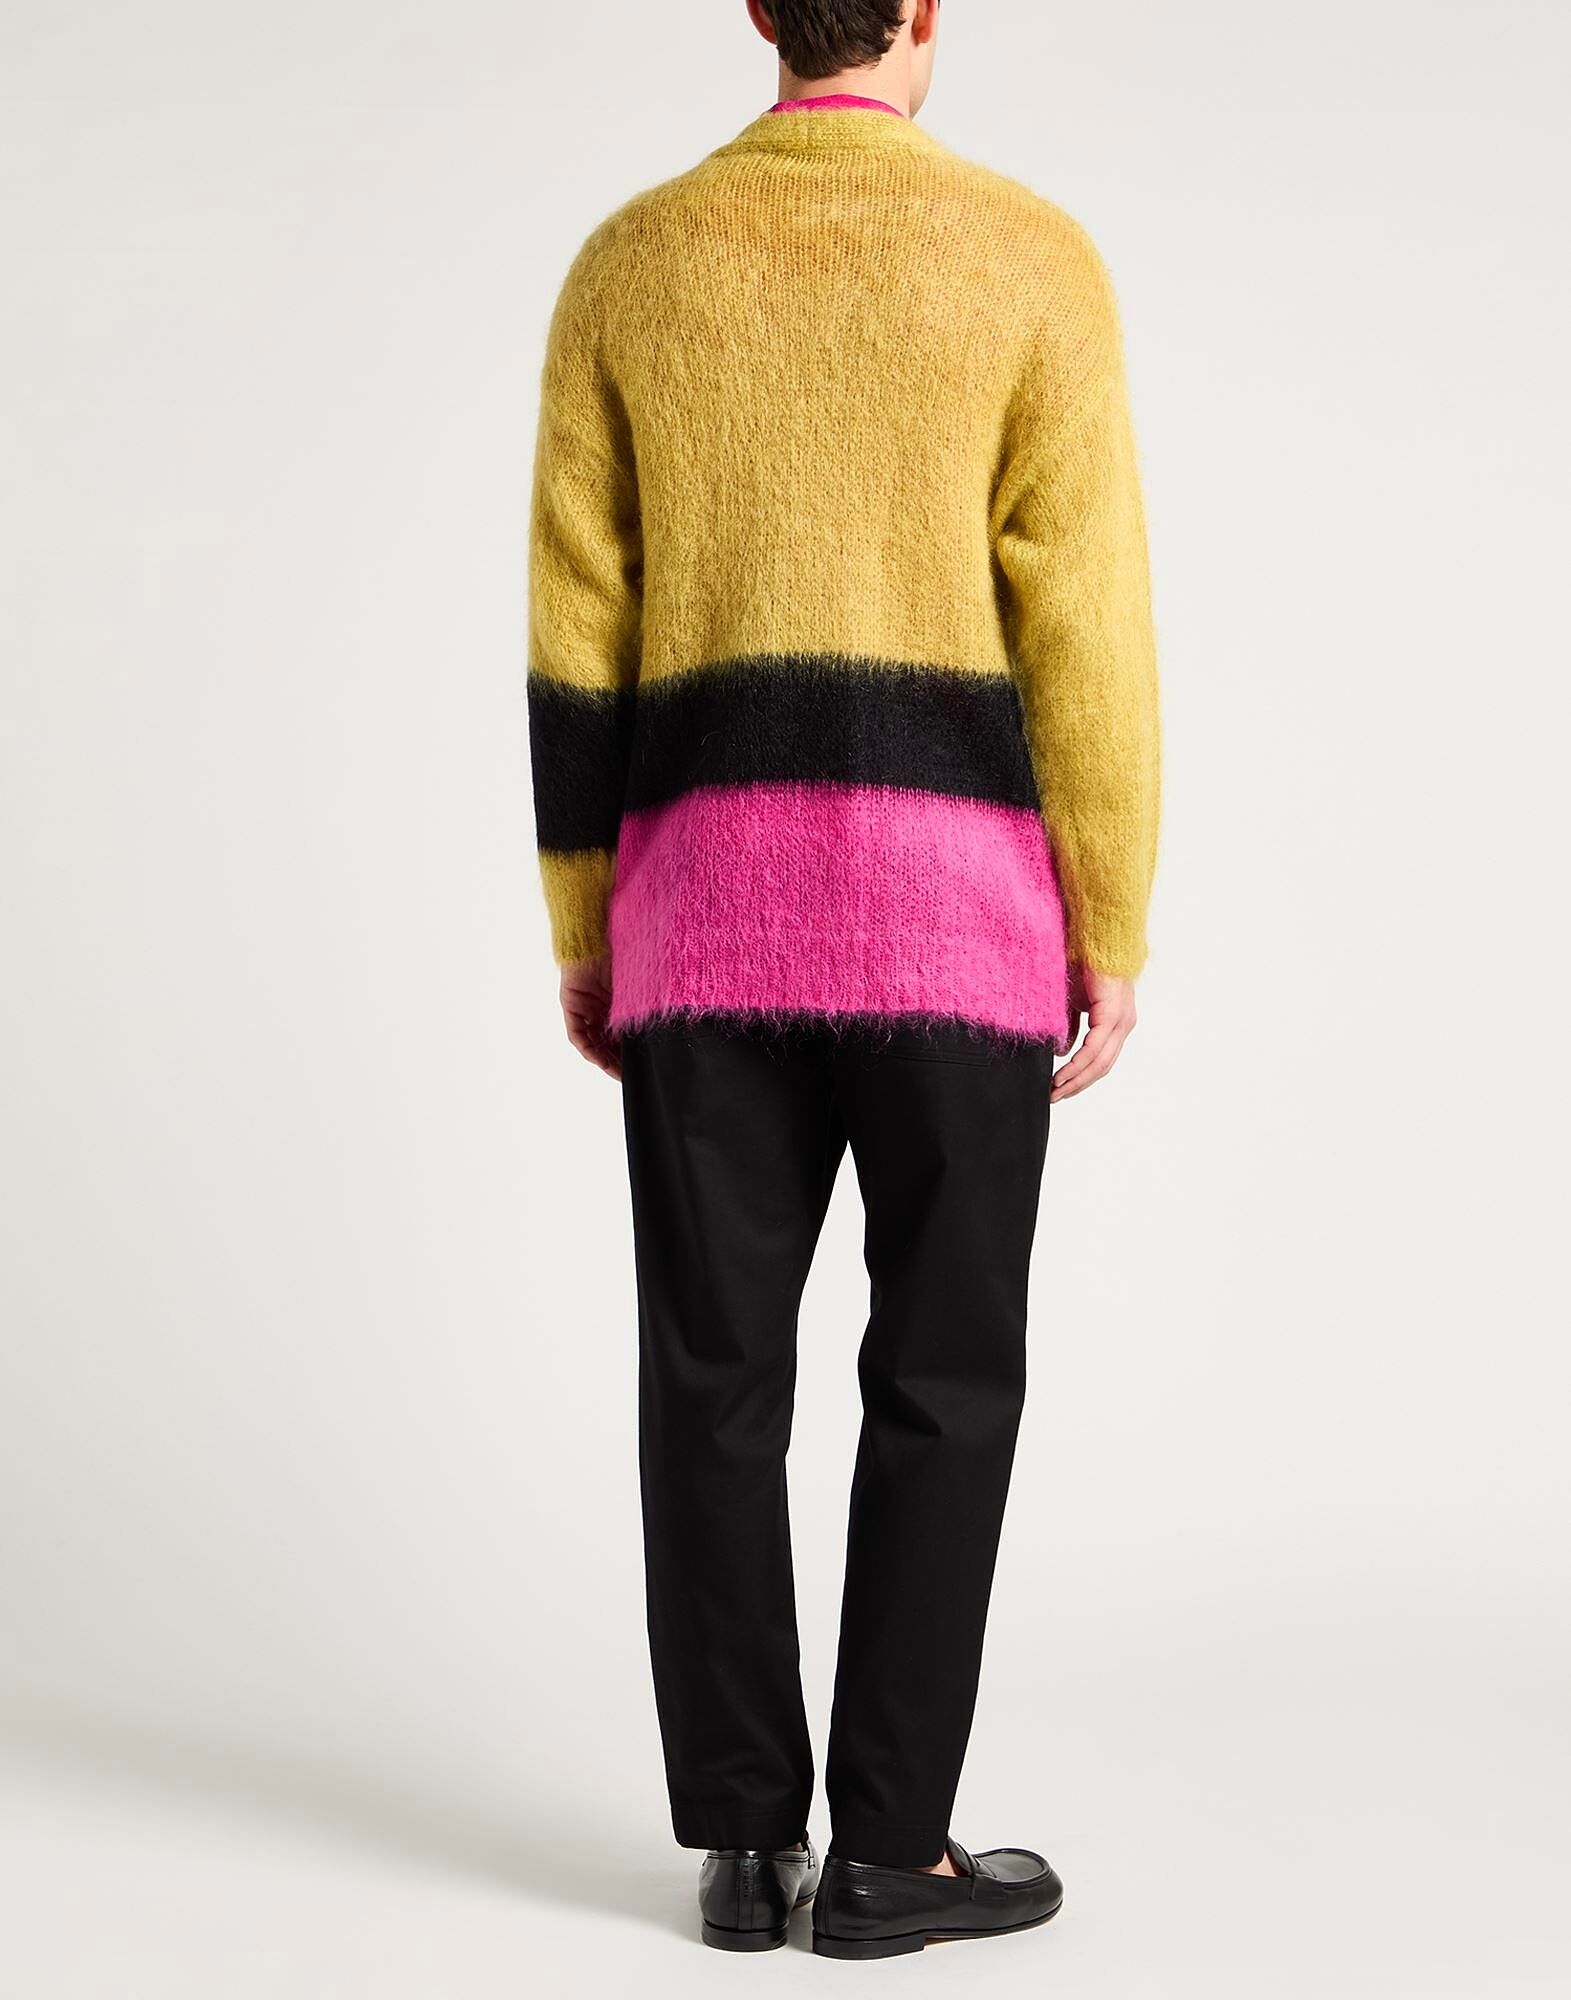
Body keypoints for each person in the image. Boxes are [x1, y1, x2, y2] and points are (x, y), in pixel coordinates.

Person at [526, 0, 1159, 1961]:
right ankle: (891, 1852)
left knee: (712, 1378)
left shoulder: (634, 264)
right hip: (960, 927)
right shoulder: (1028, 260)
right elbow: (1087, 624)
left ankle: (744, 1846)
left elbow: (576, 625)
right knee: (944, 1378)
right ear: (924, 9)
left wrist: (586, 920)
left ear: (756, 9)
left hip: (703, 920)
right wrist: (1112, 913)